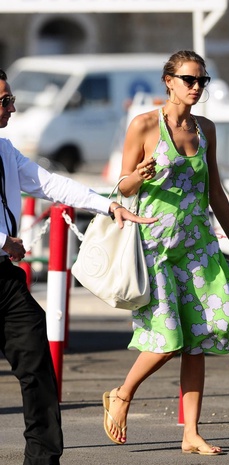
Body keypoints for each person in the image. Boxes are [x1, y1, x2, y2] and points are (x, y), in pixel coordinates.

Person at [102, 50, 229, 456]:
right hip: (156, 247)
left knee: (199, 339)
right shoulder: (144, 125)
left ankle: (191, 434)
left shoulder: (206, 130)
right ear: (169, 80)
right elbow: (121, 190)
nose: (196, 87)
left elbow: (215, 192)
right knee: (167, 340)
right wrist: (137, 177)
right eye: (189, 79)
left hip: (198, 247)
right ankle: (123, 393)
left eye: (202, 81)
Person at [0, 68, 157, 465]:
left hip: (3, 280)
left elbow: (50, 184)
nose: (13, 108)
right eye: (5, 101)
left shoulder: (3, 148)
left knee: (36, 363)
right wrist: (3, 240)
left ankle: (43, 459)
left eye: (11, 99)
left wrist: (109, 205)